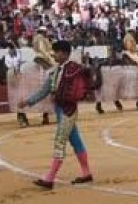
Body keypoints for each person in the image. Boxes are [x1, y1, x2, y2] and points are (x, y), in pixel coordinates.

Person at [19, 40, 94, 190]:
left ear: (65, 53)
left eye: (57, 52)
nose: (54, 54)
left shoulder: (72, 69)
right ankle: (87, 174)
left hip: (68, 110)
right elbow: (44, 91)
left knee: (60, 141)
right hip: (60, 109)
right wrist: (28, 101)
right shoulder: (55, 71)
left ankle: (49, 178)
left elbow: (86, 80)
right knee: (76, 141)